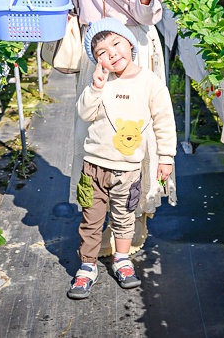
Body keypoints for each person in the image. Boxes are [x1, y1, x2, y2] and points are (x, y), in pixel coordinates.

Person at [22, 0, 170, 250]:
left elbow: (142, 14)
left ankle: (133, 220)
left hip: (132, 49)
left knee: (135, 134)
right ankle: (97, 219)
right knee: (93, 133)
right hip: (95, 49)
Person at [68, 18, 176, 299]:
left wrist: (166, 157)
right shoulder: (99, 83)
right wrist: (95, 88)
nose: (111, 53)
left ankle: (123, 259)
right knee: (91, 219)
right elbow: (84, 113)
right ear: (96, 60)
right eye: (101, 52)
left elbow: (164, 120)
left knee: (124, 217)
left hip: (128, 170)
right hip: (93, 166)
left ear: (130, 43)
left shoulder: (149, 82)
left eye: (116, 43)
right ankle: (87, 266)